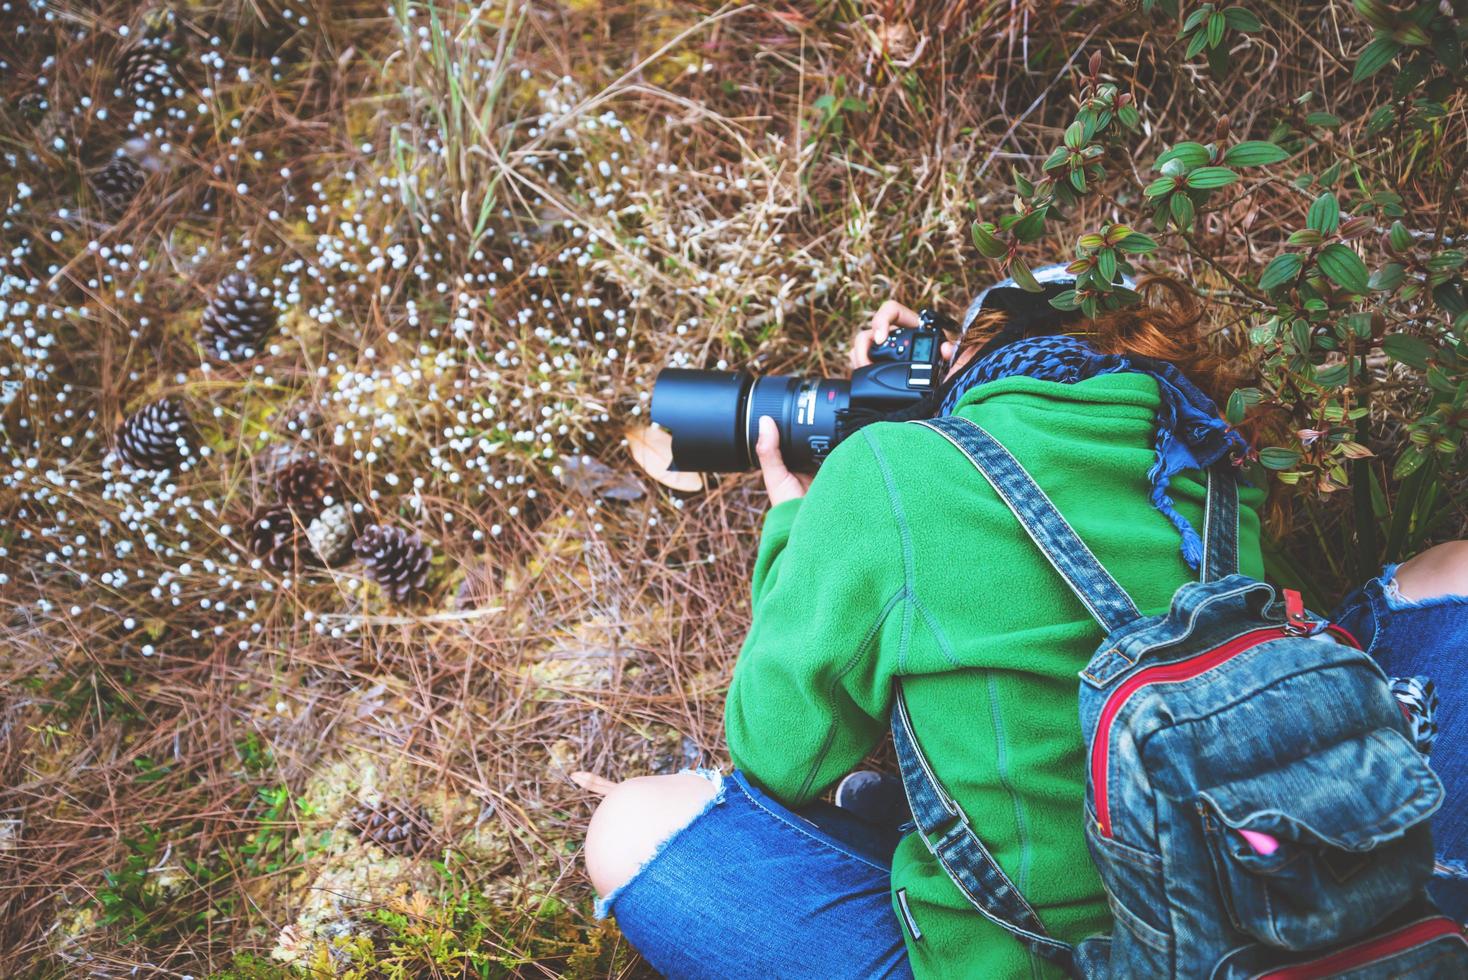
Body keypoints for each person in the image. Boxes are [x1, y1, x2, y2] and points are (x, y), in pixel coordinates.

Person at [579, 270, 1468, 979]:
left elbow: (775, 750)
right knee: (1451, 569)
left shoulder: (892, 469)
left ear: (968, 360)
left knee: (630, 826)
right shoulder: (1206, 454)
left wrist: (803, 523)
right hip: (1323, 894)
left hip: (1058, 963)